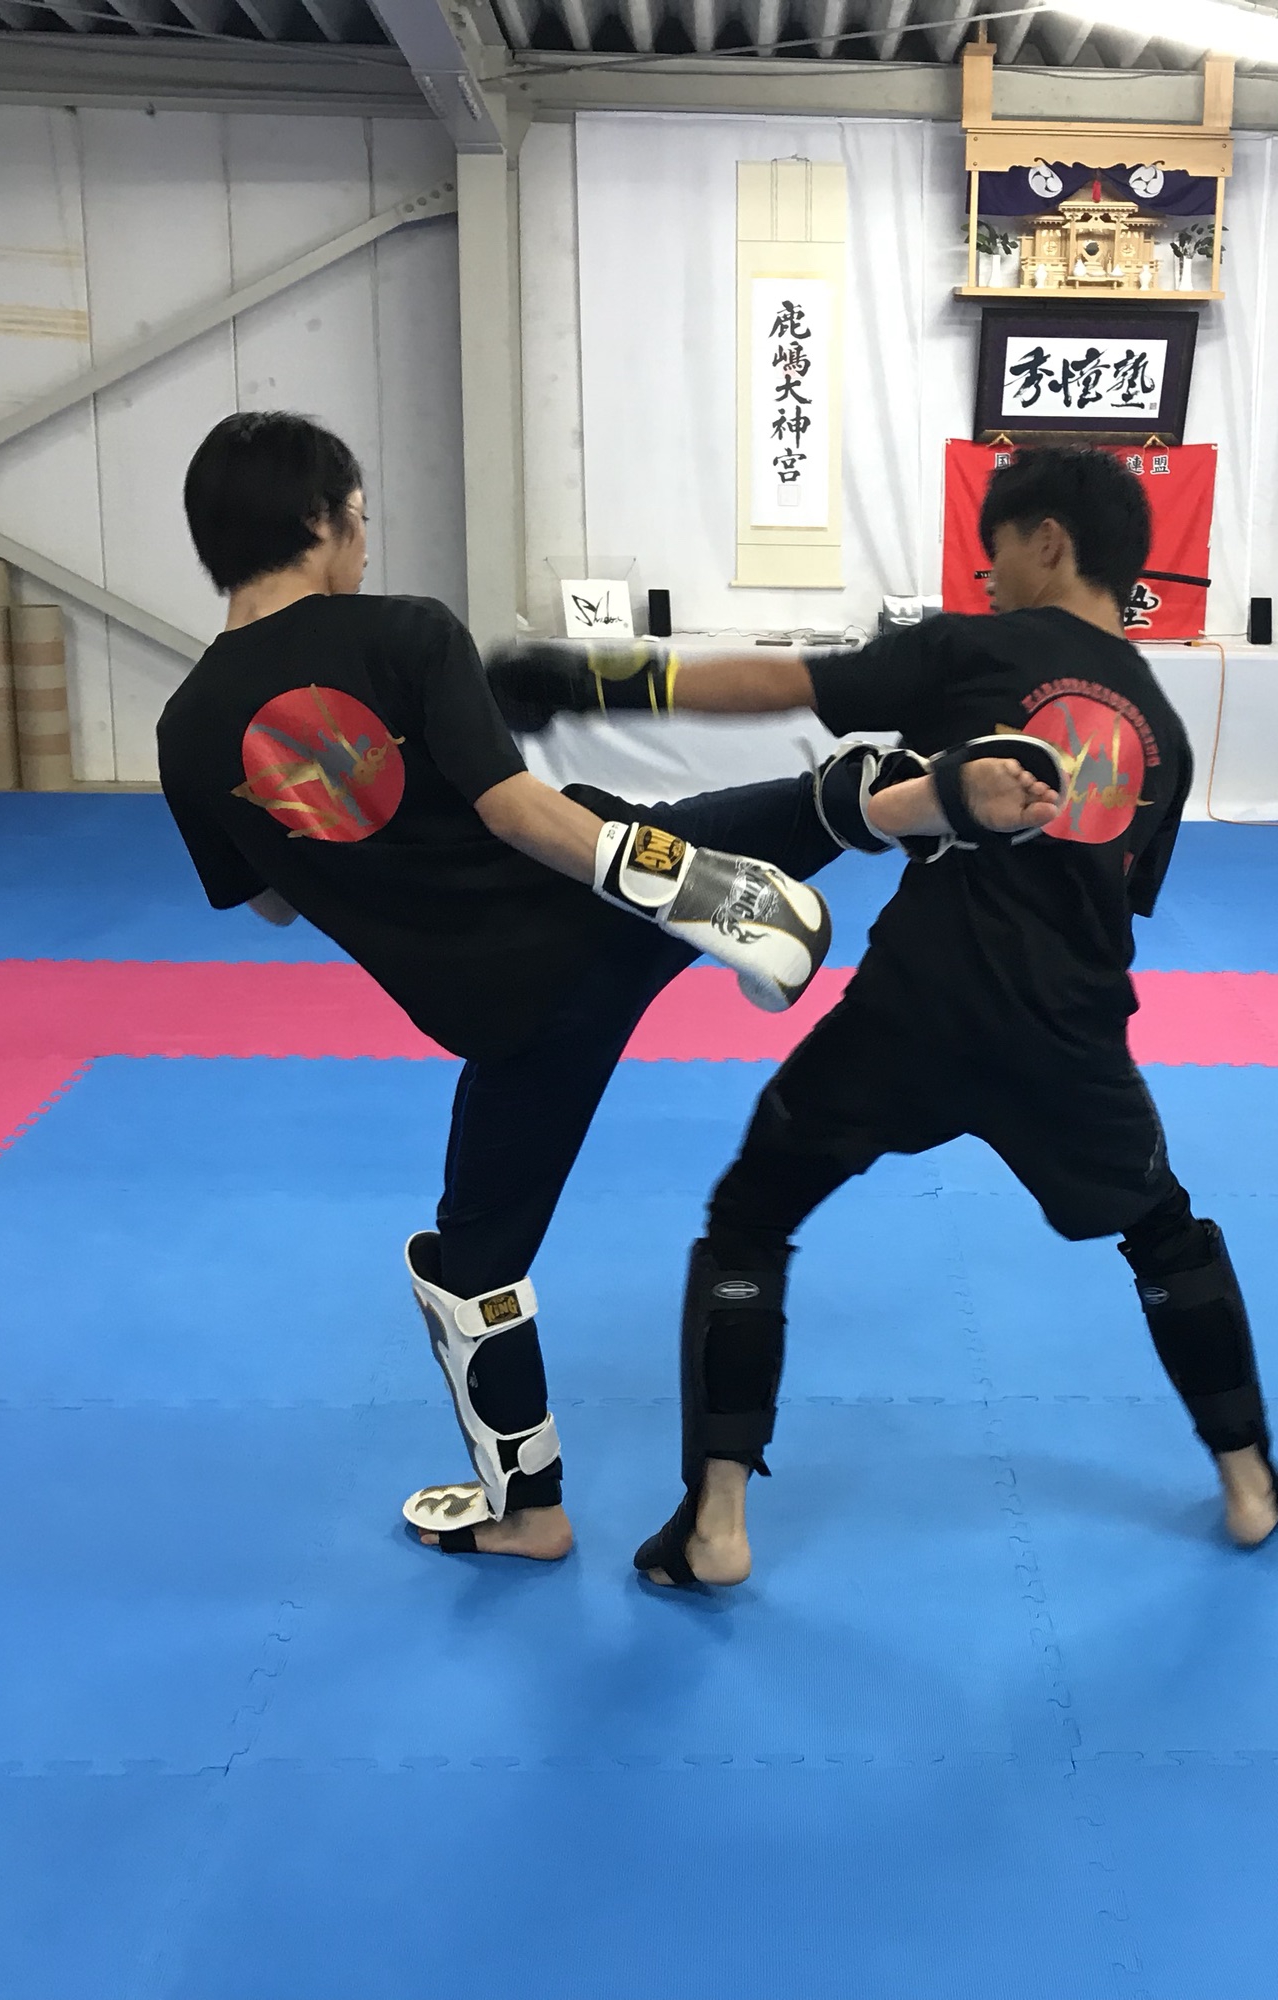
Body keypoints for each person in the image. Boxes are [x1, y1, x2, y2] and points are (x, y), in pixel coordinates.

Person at [155, 412, 1041, 1565]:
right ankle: (901, 805)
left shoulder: (186, 731)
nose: (364, 540)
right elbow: (519, 812)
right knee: (790, 807)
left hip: (500, 1014)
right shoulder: (404, 631)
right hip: (599, 908)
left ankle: (529, 1512)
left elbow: (273, 903)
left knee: (469, 1271)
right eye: (359, 515)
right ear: (317, 517)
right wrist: (682, 889)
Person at [490, 446, 1278, 1591]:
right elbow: (1107, 899)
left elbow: (783, 685)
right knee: (1164, 1233)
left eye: (994, 550)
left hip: (914, 1011)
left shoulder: (972, 648)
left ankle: (715, 1524)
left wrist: (596, 685)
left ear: (1049, 541)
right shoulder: (1161, 728)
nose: (986, 575)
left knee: (749, 1218)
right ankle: (1249, 1479)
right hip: (1069, 1040)